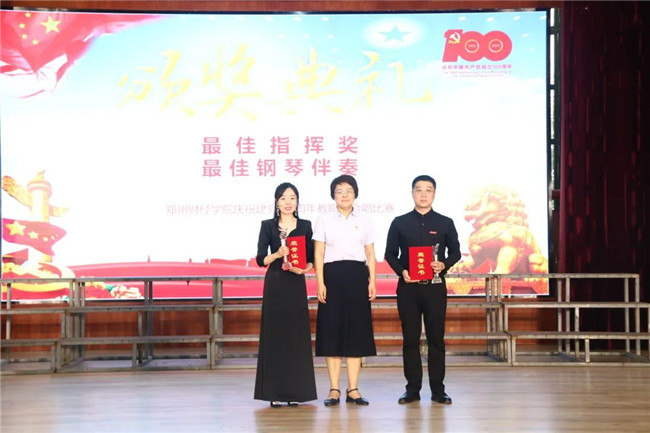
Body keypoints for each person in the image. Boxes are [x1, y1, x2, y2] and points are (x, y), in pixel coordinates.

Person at [384, 175, 461, 405]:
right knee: (410, 339)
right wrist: (402, 271)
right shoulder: (399, 222)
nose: (423, 194)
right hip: (408, 288)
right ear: (412, 194)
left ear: (434, 194)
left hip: (435, 289)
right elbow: (390, 254)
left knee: (436, 339)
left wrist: (444, 264)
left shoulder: (445, 222)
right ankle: (412, 389)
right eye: (419, 190)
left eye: (428, 190)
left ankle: (438, 390)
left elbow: (456, 252)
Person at [313, 174, 377, 407]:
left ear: (355, 194)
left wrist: (372, 281)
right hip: (331, 277)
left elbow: (370, 253)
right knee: (332, 332)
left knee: (356, 332)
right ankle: (334, 389)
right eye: (339, 191)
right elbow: (318, 253)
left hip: (357, 276)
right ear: (333, 195)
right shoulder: (324, 219)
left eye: (349, 190)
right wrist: (320, 282)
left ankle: (353, 389)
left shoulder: (365, 219)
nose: (344, 195)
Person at [254, 182, 317, 408]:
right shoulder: (268, 226)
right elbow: (260, 259)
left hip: (295, 284)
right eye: (283, 198)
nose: (288, 202)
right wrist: (277, 254)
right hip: (275, 283)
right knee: (275, 336)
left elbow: (311, 259)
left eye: (292, 198)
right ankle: (274, 391)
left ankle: (296, 391)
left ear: (297, 201)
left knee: (296, 336)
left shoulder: (306, 226)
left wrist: (304, 269)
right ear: (276, 202)